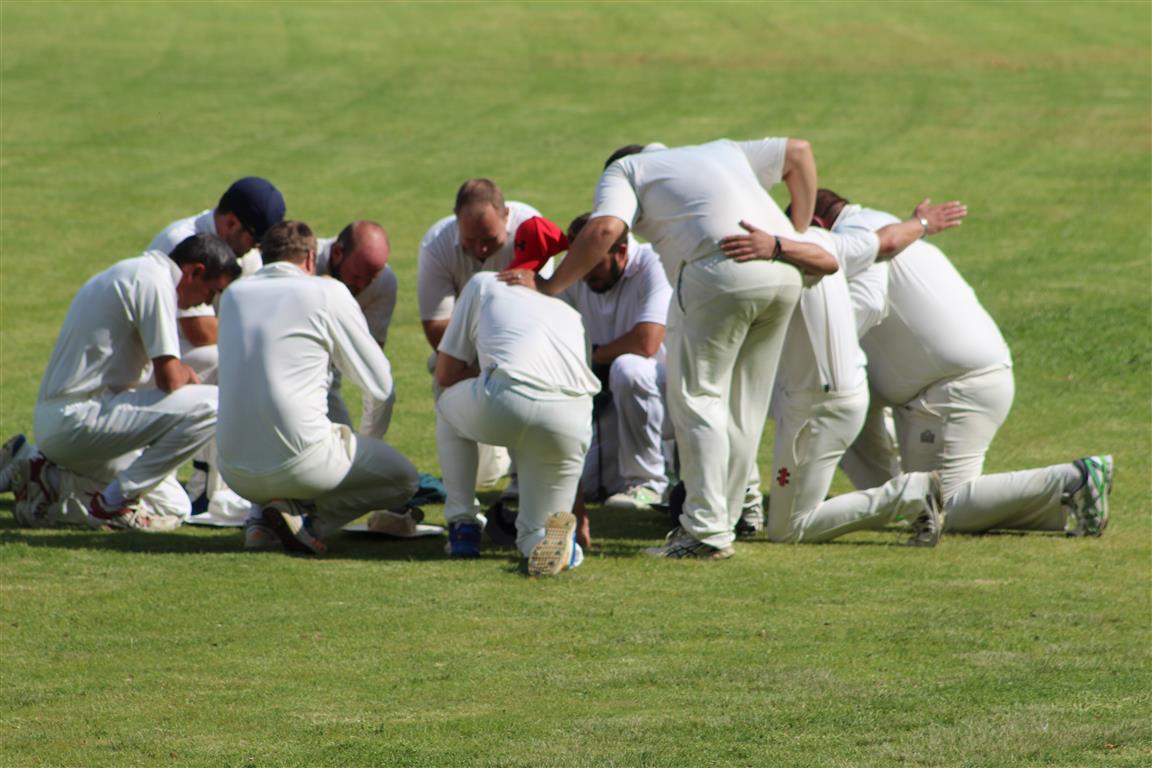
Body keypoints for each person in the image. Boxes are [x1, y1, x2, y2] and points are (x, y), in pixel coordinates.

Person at [501, 137, 836, 559]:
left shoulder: (625, 170)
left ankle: (705, 533)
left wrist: (550, 285)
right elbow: (799, 152)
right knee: (743, 408)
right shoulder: (722, 149)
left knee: (698, 400)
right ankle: (724, 520)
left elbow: (604, 229)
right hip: (783, 270)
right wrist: (793, 235)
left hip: (718, 272)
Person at [819, 189, 1113, 536]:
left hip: (955, 387)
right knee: (922, 500)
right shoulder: (878, 223)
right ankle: (887, 500)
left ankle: (1076, 479)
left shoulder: (853, 240)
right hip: (962, 380)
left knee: (941, 506)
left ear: (817, 224)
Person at [720, 200, 967, 544]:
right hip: (840, 393)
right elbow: (887, 239)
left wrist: (775, 247)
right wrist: (921, 222)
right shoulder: (833, 240)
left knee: (789, 529)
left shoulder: (790, 252)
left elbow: (836, 260)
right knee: (788, 518)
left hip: (818, 404)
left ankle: (911, 493)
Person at [215, 221, 418, 555]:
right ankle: (309, 522)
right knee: (404, 479)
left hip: (233, 471)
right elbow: (381, 388)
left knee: (281, 423)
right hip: (301, 465)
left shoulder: (233, 295)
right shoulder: (327, 291)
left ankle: (260, 521)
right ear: (311, 258)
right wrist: (367, 444)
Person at [11, 234, 240, 530]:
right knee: (215, 403)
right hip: (78, 419)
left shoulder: (135, 271)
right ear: (195, 272)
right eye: (212, 291)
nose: (208, 302)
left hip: (72, 423)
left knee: (174, 506)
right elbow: (170, 378)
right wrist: (186, 374)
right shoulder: (154, 281)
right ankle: (114, 503)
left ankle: (45, 479)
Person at [435, 266, 600, 575]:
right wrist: (578, 512)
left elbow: (445, 373)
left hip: (509, 398)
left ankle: (463, 526)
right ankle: (565, 548)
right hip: (572, 420)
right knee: (536, 530)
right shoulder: (572, 314)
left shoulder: (484, 282)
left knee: (446, 404)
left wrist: (486, 369)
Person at [417, 179, 549, 490]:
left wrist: (500, 363)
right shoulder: (436, 243)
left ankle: (522, 477)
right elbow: (437, 328)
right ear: (456, 221)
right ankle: (460, 490)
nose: (481, 250)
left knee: (524, 381)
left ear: (506, 215)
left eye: (490, 240)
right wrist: (484, 365)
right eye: (471, 241)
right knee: (441, 371)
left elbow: (542, 312)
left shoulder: (532, 230)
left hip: (522, 343)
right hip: (468, 347)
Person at [560, 212, 673, 510]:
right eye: (578, 264)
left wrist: (594, 357)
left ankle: (649, 484)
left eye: (592, 264)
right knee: (584, 485)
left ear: (621, 251)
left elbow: (646, 342)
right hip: (609, 396)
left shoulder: (655, 262)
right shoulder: (574, 271)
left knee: (629, 369)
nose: (583, 275)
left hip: (667, 393)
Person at [316, 220, 398, 438]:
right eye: (356, 277)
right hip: (291, 372)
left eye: (371, 279)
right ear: (337, 253)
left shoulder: (385, 282)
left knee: (348, 452)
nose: (361, 286)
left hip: (330, 374)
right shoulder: (305, 263)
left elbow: (370, 357)